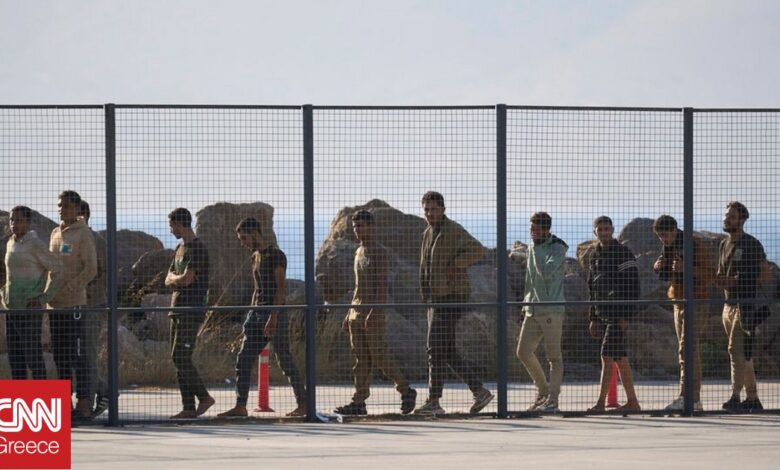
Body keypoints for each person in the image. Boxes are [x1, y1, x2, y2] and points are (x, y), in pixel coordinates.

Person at [414, 191, 494, 416]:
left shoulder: (453, 230)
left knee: (434, 348)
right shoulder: (428, 233)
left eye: (434, 209)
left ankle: (434, 401)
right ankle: (479, 391)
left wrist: (457, 264)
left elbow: (477, 250)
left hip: (451, 297)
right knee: (446, 350)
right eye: (427, 210)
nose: (430, 214)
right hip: (435, 298)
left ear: (443, 209)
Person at [218, 217, 307, 418]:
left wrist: (273, 317)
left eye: (244, 238)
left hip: (274, 313)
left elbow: (280, 289)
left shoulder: (276, 255)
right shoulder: (255, 256)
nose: (243, 242)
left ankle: (303, 403)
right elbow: (257, 288)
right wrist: (251, 313)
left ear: (255, 233)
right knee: (244, 358)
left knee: (284, 359)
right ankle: (240, 406)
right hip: (256, 313)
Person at [334, 210, 417, 415]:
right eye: (355, 226)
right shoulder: (359, 251)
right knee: (361, 359)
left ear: (371, 227)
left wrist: (375, 310)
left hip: (373, 312)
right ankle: (359, 401)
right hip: (357, 311)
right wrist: (349, 313)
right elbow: (358, 286)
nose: (358, 230)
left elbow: (381, 285)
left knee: (379, 356)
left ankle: (405, 389)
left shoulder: (379, 252)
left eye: (362, 226)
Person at [652, 215, 715, 412]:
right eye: (660, 236)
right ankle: (686, 396)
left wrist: (687, 268)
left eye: (665, 235)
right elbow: (667, 272)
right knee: (684, 348)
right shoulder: (668, 247)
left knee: (688, 348)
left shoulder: (694, 245)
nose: (663, 239)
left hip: (696, 301)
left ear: (674, 230)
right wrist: (658, 266)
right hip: (678, 301)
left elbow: (710, 273)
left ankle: (692, 398)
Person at [48, 190, 98, 419]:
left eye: (67, 206)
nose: (62, 209)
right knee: (60, 356)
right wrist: (47, 293)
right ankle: (64, 403)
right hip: (55, 306)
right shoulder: (55, 233)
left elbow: (91, 269)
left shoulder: (83, 233)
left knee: (79, 355)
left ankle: (84, 404)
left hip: (75, 305)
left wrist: (70, 288)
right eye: (60, 205)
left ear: (77, 209)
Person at [586, 216, 641, 414]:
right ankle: (633, 402)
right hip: (603, 314)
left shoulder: (623, 253)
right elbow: (592, 289)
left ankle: (601, 403)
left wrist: (626, 316)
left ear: (612, 230)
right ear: (595, 232)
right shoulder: (594, 256)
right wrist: (593, 318)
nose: (604, 232)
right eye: (600, 229)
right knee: (619, 357)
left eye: (607, 229)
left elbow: (633, 286)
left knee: (606, 356)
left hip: (618, 315)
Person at [165, 208, 215, 419]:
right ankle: (188, 407)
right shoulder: (180, 248)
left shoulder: (197, 249)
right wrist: (176, 278)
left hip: (191, 309)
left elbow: (187, 279)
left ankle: (204, 397)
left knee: (181, 356)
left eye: (172, 226)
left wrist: (176, 279)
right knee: (177, 357)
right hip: (176, 309)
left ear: (179, 224)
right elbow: (167, 278)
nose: (171, 230)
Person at [716, 202, 766, 413]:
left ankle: (736, 396)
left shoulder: (752, 244)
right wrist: (723, 280)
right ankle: (752, 398)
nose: (727, 219)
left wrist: (739, 282)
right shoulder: (724, 244)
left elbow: (762, 273)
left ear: (742, 220)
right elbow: (721, 273)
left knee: (735, 350)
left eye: (732, 216)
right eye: (726, 215)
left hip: (745, 305)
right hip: (728, 305)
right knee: (743, 353)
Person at [2, 206, 63, 379]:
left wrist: (45, 297)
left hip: (29, 308)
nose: (14, 224)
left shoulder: (35, 244)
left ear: (28, 222)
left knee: (32, 357)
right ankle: (21, 395)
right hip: (11, 308)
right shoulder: (11, 242)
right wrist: (4, 293)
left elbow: (57, 269)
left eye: (19, 220)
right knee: (15, 358)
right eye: (12, 220)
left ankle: (40, 394)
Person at [516, 212, 568, 413]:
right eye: (531, 229)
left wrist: (535, 250)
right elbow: (530, 279)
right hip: (532, 308)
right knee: (523, 352)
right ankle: (543, 391)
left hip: (551, 309)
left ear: (546, 230)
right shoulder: (532, 246)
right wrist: (525, 304)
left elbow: (546, 272)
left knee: (554, 357)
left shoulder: (558, 247)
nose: (533, 233)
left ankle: (553, 400)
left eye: (536, 230)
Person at [79, 200, 110, 417]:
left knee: (87, 353)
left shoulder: (95, 240)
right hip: (71, 303)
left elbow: (100, 271)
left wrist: (78, 285)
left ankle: (89, 401)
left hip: (91, 304)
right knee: (74, 355)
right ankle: (103, 389)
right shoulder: (66, 237)